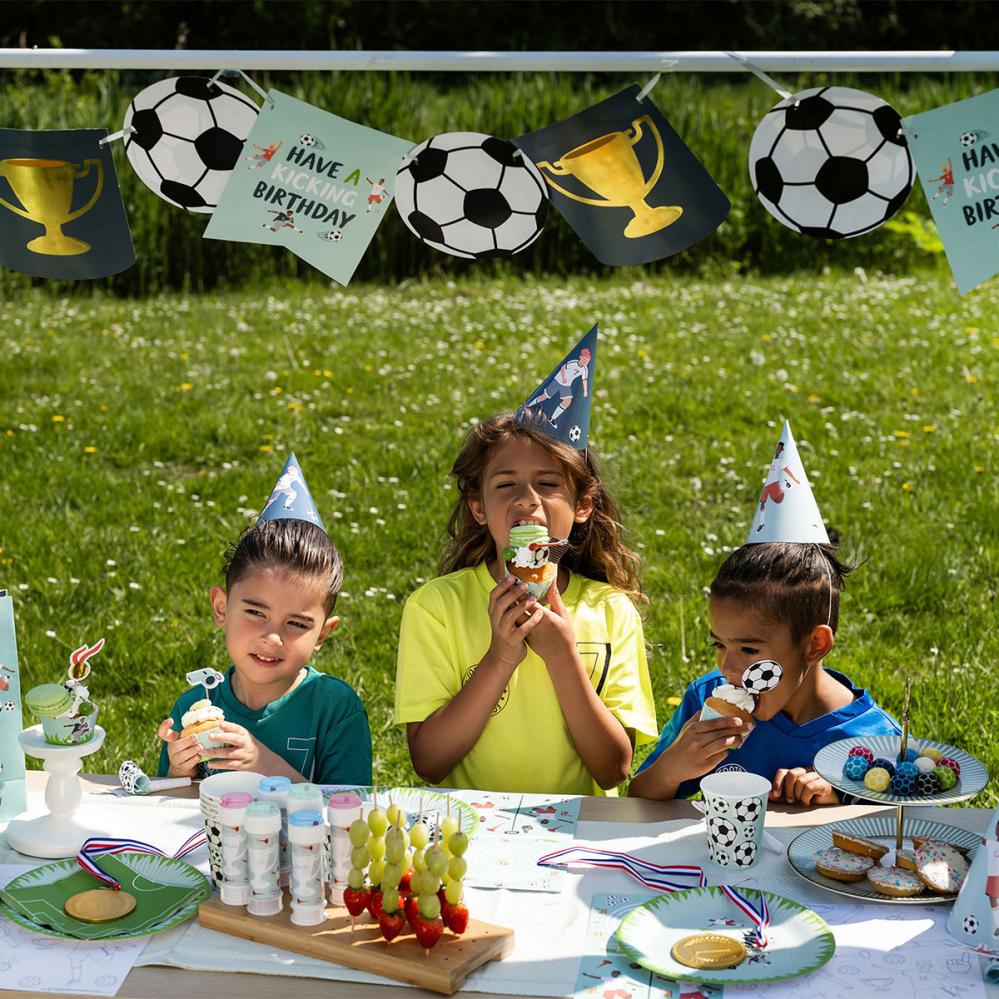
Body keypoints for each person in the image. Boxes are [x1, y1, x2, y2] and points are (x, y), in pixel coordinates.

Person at [631, 422, 899, 805]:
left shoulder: (875, 740)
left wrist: (839, 795)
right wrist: (673, 768)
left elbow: (903, 825)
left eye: (749, 650)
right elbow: (639, 798)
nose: (728, 668)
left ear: (815, 644)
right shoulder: (705, 700)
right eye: (719, 645)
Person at [394, 413, 658, 796]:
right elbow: (430, 764)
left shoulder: (611, 611)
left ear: (583, 505)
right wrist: (500, 658)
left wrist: (562, 657)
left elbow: (613, 769)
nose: (527, 499)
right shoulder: (435, 607)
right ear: (479, 508)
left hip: (579, 823)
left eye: (548, 483)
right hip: (474, 822)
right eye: (506, 484)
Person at [158, 455, 371, 785]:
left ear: (322, 634)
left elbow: (349, 808)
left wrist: (265, 765)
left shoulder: (334, 709)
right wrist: (178, 771)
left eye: (296, 623)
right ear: (221, 608)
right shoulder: (196, 704)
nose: (272, 638)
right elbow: (164, 804)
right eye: (256, 613)